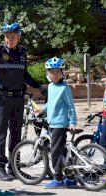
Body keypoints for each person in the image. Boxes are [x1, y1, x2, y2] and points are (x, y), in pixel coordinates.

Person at [0, 22, 45, 181]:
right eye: (6, 37)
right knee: (2, 133)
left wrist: (39, 87)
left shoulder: (22, 52)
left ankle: (14, 168)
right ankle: (0, 168)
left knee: (16, 134)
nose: (9, 40)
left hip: (18, 98)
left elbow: (24, 74)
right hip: (2, 98)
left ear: (18, 37)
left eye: (12, 37)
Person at [39, 57, 78, 189]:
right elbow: (51, 103)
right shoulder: (50, 86)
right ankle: (71, 178)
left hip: (60, 124)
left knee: (55, 152)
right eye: (52, 72)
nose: (55, 75)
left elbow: (70, 106)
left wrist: (72, 122)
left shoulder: (64, 88)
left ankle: (58, 179)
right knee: (61, 153)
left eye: (57, 72)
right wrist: (41, 109)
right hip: (52, 123)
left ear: (62, 73)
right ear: (48, 73)